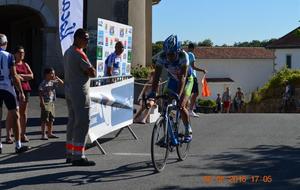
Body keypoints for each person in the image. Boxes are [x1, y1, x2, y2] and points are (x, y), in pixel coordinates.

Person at [148, 35, 193, 142]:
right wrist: (153, 92)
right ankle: (168, 134)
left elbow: (182, 77)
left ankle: (188, 129)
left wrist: (178, 95)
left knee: (181, 105)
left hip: (186, 80)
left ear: (178, 51)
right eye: (167, 54)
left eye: (172, 54)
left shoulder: (183, 56)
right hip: (172, 79)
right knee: (165, 105)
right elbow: (156, 76)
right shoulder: (162, 57)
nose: (169, 57)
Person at [63, 28, 97, 166]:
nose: (87, 41)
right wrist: (92, 69)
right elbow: (92, 72)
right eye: (85, 38)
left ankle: (70, 153)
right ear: (77, 38)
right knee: (82, 122)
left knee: (72, 121)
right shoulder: (79, 53)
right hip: (80, 91)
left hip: (70, 90)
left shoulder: (67, 52)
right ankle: (79, 155)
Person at [0, 33, 30, 154]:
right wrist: (21, 91)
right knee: (15, 115)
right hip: (7, 88)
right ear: (5, 44)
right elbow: (14, 75)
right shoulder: (9, 56)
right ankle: (18, 145)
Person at [13, 46, 33, 142]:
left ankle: (23, 134)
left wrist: (22, 76)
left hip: (26, 89)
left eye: (23, 52)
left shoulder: (25, 64)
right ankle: (15, 133)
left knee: (24, 113)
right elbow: (14, 76)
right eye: (20, 52)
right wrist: (23, 77)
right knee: (15, 113)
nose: (22, 54)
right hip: (16, 89)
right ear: (15, 54)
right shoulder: (13, 65)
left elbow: (31, 76)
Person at [39, 68, 64, 140]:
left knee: (51, 119)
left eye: (53, 73)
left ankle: (49, 133)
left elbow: (62, 83)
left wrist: (57, 78)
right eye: (51, 73)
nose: (53, 75)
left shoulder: (53, 82)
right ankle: (43, 134)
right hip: (46, 102)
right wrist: (42, 102)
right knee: (44, 119)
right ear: (46, 74)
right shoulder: (43, 83)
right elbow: (40, 92)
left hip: (51, 102)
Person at [186, 43, 207, 117]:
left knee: (187, 93)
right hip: (192, 76)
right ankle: (190, 110)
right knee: (196, 93)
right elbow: (193, 67)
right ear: (193, 48)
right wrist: (202, 70)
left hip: (186, 76)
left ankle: (186, 109)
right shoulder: (191, 54)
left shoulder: (185, 54)